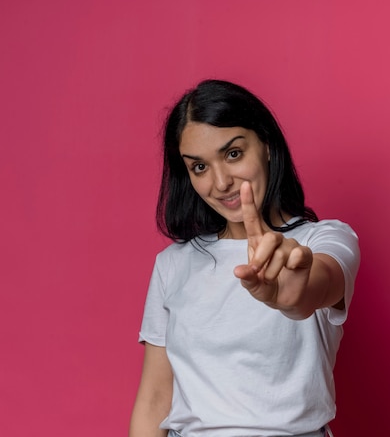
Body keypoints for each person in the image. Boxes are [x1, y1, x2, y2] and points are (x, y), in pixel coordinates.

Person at [129, 79, 360, 437]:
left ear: (266, 145)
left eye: (233, 153)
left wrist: (292, 294)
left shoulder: (325, 239)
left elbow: (316, 286)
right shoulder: (172, 264)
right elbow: (155, 399)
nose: (220, 182)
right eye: (199, 167)